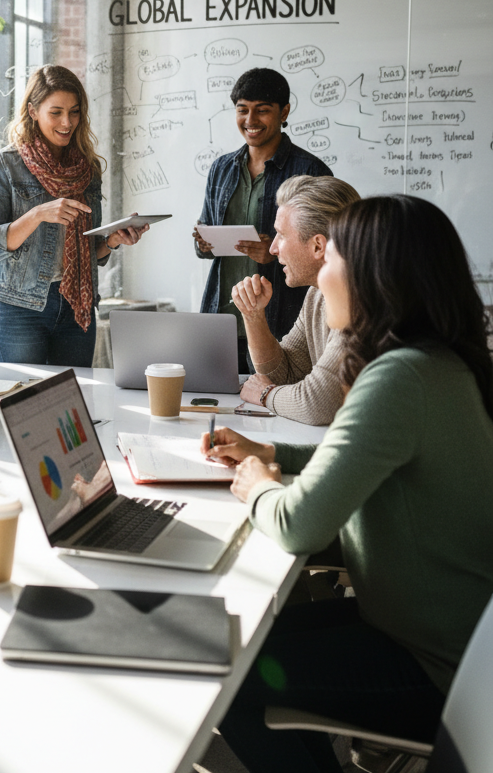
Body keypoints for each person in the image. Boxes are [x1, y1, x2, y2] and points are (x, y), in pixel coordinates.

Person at [202, 195, 493, 773]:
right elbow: (359, 459)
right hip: (441, 635)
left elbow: (295, 525)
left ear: (371, 275)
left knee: (224, 670)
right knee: (256, 631)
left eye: (331, 257)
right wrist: (267, 449)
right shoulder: (435, 362)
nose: (319, 277)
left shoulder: (400, 376)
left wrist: (257, 483)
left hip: (431, 664)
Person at [0, 65, 148, 366]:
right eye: (55, 112)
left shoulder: (87, 170)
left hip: (76, 308)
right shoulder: (5, 165)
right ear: (33, 111)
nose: (67, 122)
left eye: (74, 111)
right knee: (23, 401)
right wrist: (37, 214)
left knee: (73, 405)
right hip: (20, 308)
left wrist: (112, 240)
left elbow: (87, 251)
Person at [193, 68, 331, 369]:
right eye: (242, 110)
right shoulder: (222, 167)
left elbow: (328, 253)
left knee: (272, 398)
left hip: (282, 319)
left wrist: (274, 253)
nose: (250, 121)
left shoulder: (310, 171)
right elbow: (205, 231)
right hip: (223, 318)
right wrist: (205, 244)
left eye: (262, 110)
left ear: (284, 112)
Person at [232, 175, 360, 423]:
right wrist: (253, 315)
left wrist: (265, 394)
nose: (272, 249)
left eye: (281, 235)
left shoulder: (358, 299)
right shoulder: (317, 293)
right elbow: (287, 374)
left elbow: (318, 404)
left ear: (317, 246)